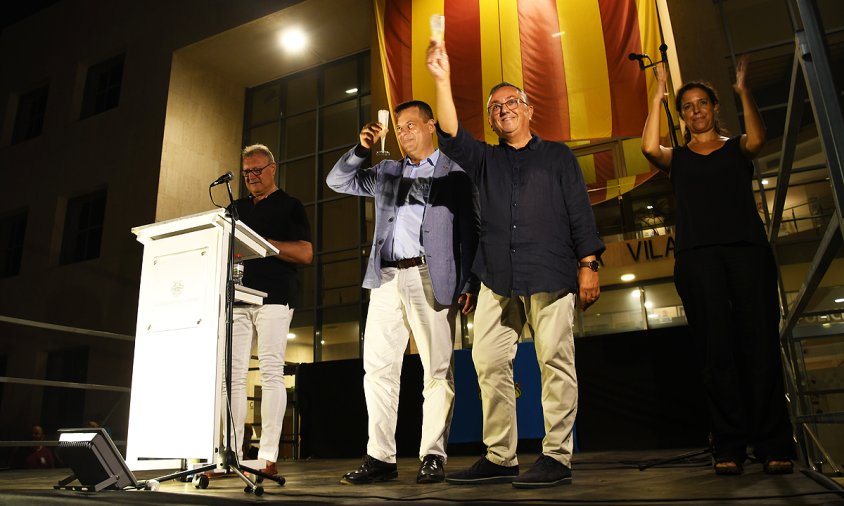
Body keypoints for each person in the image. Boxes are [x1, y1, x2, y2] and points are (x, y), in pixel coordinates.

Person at [426, 42, 605, 488]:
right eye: (495, 107)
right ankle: (501, 455)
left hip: (550, 270)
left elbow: (580, 212)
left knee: (556, 363)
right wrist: (443, 79)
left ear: (528, 110)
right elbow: (451, 134)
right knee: (487, 361)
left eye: (511, 102)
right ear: (491, 120)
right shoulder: (485, 160)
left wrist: (589, 263)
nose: (503, 110)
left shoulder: (559, 156)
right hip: (497, 276)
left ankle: (557, 456)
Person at [641, 57, 795, 475]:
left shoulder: (736, 146)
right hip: (699, 259)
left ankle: (773, 444)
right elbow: (649, 148)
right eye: (687, 106)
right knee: (716, 353)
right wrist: (657, 95)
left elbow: (760, 139)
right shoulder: (678, 158)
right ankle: (729, 445)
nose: (696, 110)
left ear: (714, 107)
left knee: (759, 345)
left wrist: (744, 91)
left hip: (747, 252)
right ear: (683, 116)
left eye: (702, 103)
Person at [326, 100, 480, 485]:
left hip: (431, 275)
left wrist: (469, 282)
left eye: (412, 124)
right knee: (377, 369)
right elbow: (337, 182)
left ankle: (433, 455)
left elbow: (470, 232)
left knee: (437, 371)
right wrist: (362, 150)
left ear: (431, 126)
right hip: (386, 278)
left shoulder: (455, 173)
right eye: (399, 127)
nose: (404, 132)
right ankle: (380, 458)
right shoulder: (386, 171)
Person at [227, 144, 313, 478]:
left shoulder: (290, 206)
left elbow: (305, 253)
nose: (251, 177)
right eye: (246, 172)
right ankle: (231, 453)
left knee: (270, 372)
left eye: (257, 170)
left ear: (272, 168)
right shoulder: (235, 208)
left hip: (275, 296)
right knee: (231, 379)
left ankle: (266, 455)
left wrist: (262, 244)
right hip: (238, 296)